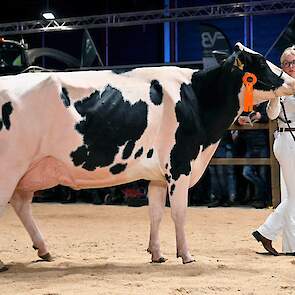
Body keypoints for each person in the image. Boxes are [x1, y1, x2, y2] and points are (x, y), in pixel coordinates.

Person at [252, 45, 295, 256]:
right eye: (286, 63)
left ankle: (271, 235)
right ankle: (267, 232)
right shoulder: (279, 86)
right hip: (287, 139)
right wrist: (276, 94)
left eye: (293, 62)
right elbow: (272, 114)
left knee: (293, 195)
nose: (290, 66)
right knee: (294, 196)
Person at [237, 102, 271, 209]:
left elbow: (270, 116)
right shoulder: (247, 104)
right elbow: (238, 117)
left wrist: (259, 116)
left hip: (262, 144)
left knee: (262, 174)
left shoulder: (265, 104)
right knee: (247, 172)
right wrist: (240, 121)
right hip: (249, 144)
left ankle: (261, 199)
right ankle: (265, 194)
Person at [207, 130, 237, 207]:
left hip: (223, 144)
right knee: (214, 174)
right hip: (210, 145)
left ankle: (228, 198)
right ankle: (217, 198)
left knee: (224, 173)